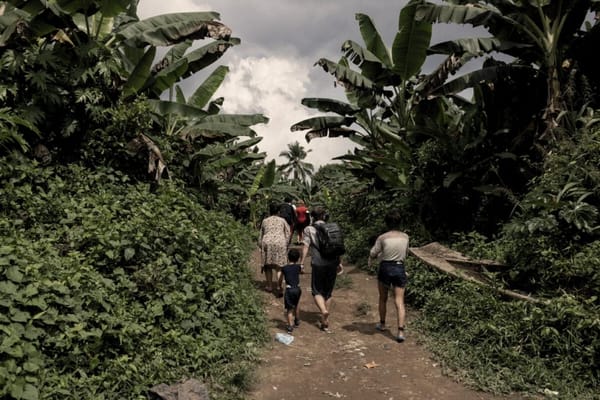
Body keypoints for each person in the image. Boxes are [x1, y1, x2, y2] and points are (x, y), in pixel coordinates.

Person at [367, 208, 409, 343]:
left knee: (383, 298)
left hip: (385, 268)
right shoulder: (405, 237)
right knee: (399, 301)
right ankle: (400, 331)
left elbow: (373, 253)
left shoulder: (382, 238)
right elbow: (405, 253)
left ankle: (383, 324)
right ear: (399, 222)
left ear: (387, 223)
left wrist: (373, 257)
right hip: (399, 267)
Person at [300, 206, 343, 332]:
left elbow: (306, 246)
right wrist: (339, 262)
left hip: (318, 263)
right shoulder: (332, 228)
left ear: (312, 217)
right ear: (324, 216)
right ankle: (325, 320)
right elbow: (336, 246)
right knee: (328, 292)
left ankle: (323, 311)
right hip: (332, 262)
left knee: (317, 291)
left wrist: (302, 263)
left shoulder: (309, 229)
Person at [259, 202, 291, 296]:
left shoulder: (265, 221)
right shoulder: (282, 220)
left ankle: (269, 286)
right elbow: (288, 233)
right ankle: (279, 286)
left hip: (267, 242)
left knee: (268, 266)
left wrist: (261, 245)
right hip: (280, 242)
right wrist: (286, 244)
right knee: (279, 266)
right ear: (278, 211)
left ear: (270, 210)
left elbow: (261, 234)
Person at [278, 248, 303, 334]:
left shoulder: (284, 268)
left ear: (288, 257)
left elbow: (280, 279)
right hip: (298, 289)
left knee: (289, 309)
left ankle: (290, 326)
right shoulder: (298, 267)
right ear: (298, 258)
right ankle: (296, 320)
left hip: (289, 289)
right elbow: (300, 271)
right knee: (296, 305)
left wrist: (279, 286)